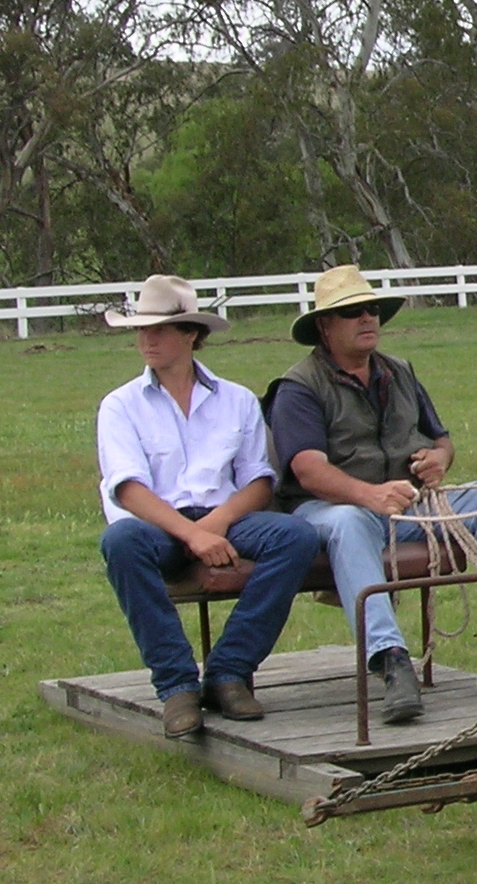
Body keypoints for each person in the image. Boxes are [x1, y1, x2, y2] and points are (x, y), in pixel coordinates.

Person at [270, 264, 477, 725]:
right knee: (347, 522)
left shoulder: (398, 372)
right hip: (329, 510)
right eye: (352, 312)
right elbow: (307, 468)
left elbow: (441, 439)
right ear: (324, 326)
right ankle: (390, 660)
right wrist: (369, 495)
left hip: (410, 504)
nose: (367, 319)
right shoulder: (298, 387)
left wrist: (440, 460)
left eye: (372, 310)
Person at [97, 275, 320, 738]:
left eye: (158, 330)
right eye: (141, 330)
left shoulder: (236, 399)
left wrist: (217, 523)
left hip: (224, 517)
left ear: (191, 335)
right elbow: (129, 490)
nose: (146, 340)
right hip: (156, 525)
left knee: (296, 536)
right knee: (120, 540)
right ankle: (177, 684)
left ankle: (229, 671)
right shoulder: (120, 406)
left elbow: (260, 481)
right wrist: (192, 534)